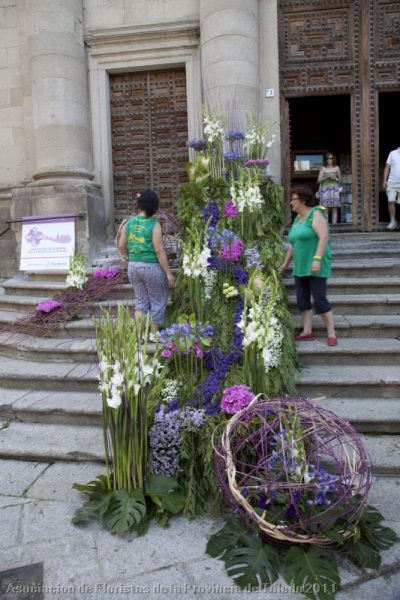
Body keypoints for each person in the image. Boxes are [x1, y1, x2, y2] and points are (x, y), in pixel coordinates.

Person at [279, 185, 337, 346]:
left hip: (316, 266)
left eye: (293, 200)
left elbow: (324, 237)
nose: (291, 203)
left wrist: (317, 259)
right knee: (302, 301)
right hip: (301, 266)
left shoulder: (315, 214)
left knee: (320, 300)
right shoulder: (298, 219)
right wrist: (284, 265)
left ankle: (331, 333)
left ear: (303, 200)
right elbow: (293, 245)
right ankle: (307, 331)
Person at [118, 189, 176, 333]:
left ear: (140, 205)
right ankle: (154, 335)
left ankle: (137, 337)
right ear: (154, 207)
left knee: (141, 302)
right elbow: (159, 250)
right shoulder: (154, 224)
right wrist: (168, 273)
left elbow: (121, 245)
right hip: (150, 266)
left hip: (133, 267)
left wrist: (128, 259)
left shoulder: (129, 222)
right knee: (158, 299)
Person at [316, 153, 342, 224]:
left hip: (334, 189)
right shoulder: (323, 168)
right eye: (328, 158)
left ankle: (335, 226)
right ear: (326, 160)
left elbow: (340, 180)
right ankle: (326, 226)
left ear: (333, 159)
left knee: (334, 208)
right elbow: (318, 181)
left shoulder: (337, 168)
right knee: (325, 209)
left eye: (331, 158)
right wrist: (327, 177)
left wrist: (335, 178)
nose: (329, 160)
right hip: (325, 190)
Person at [383, 147, 400, 230]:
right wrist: (384, 181)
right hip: (392, 182)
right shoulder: (392, 153)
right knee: (391, 200)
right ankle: (393, 221)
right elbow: (387, 167)